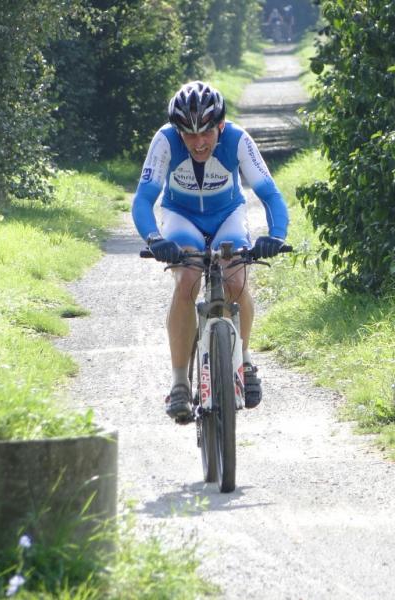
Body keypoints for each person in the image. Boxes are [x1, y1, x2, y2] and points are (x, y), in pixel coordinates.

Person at [131, 81, 289, 424]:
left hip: (227, 216)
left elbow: (270, 194)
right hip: (181, 217)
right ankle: (179, 383)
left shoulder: (238, 139)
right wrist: (155, 239)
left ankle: (244, 360)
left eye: (206, 133)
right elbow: (143, 199)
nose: (199, 142)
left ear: (221, 126)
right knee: (187, 278)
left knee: (235, 277)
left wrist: (275, 236)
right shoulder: (165, 141)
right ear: (178, 132)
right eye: (189, 135)